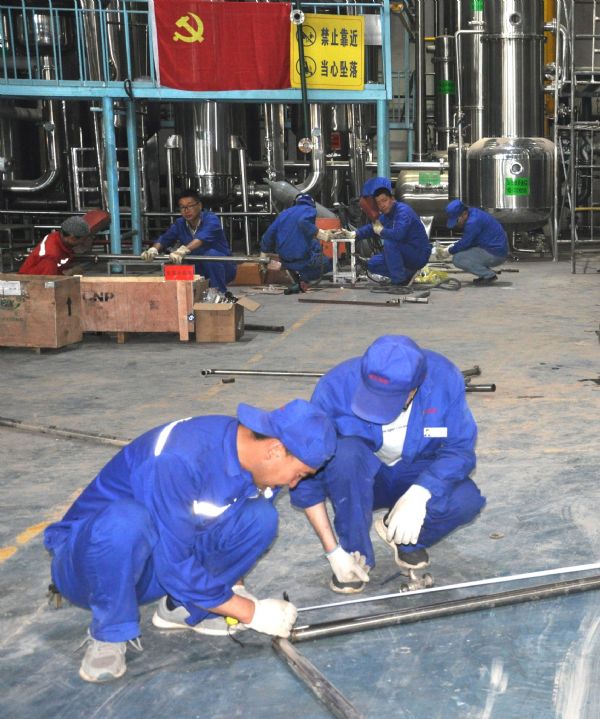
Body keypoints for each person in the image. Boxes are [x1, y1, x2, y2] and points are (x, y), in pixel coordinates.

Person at [44, 399, 336, 683]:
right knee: (126, 522)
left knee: (260, 518)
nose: (294, 483)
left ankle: (183, 608)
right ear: (274, 450)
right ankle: (110, 633)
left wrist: (233, 588)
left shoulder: (251, 456)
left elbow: (220, 520)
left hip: (154, 565)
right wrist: (251, 612)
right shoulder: (178, 459)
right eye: (299, 474)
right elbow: (173, 564)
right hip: (91, 570)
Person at [290, 335, 486, 594]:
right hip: (360, 480)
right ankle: (354, 554)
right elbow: (304, 471)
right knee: (345, 454)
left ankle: (406, 539)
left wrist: (421, 493)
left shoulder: (444, 380)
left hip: (416, 473)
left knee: (466, 500)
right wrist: (333, 551)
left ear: (414, 390)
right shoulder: (335, 387)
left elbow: (460, 450)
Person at [340, 178, 431, 286]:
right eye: (379, 203)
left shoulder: (403, 212)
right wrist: (355, 234)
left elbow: (398, 234)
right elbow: (372, 228)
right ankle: (407, 274)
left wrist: (382, 231)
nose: (382, 205)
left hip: (418, 254)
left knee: (390, 242)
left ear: (392, 199)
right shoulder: (387, 215)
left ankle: (400, 282)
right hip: (405, 252)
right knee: (372, 264)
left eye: (384, 200)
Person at [140, 190, 236, 293]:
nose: (186, 210)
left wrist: (183, 250)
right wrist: (153, 249)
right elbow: (165, 238)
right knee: (174, 263)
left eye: (190, 206)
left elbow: (201, 238)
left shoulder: (211, 219)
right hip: (197, 268)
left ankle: (219, 293)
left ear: (199, 205)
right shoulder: (180, 223)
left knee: (210, 255)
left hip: (222, 267)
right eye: (182, 207)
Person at [260, 193, 333, 293]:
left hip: (284, 259)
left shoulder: (284, 213)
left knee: (315, 245)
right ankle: (303, 277)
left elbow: (269, 233)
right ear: (312, 203)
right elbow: (303, 222)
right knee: (329, 263)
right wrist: (319, 233)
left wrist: (264, 251)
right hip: (300, 259)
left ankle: (295, 273)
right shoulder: (309, 209)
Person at [439, 200, 508, 285]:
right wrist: (453, 246)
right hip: (494, 249)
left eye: (457, 220)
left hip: (495, 254)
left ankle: (488, 275)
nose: (457, 224)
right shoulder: (473, 212)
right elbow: (469, 241)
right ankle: (485, 272)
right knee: (465, 253)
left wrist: (448, 251)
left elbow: (465, 243)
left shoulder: (473, 222)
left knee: (458, 259)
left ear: (464, 214)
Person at [18, 216, 91, 276]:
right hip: (31, 283)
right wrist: (71, 273)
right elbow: (48, 284)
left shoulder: (57, 237)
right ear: (72, 237)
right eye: (83, 240)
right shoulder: (50, 257)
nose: (83, 242)